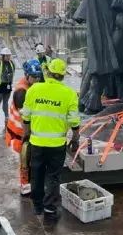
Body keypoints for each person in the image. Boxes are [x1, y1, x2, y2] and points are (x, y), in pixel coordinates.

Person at [21, 58, 80, 225]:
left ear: (47, 72)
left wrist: (26, 135)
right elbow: (74, 120)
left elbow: (26, 115)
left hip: (37, 143)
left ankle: (37, 207)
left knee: (36, 175)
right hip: (56, 145)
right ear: (63, 76)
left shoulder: (34, 89)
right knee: (53, 177)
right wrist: (75, 138)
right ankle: (50, 212)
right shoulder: (69, 94)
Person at [5, 59, 43, 196]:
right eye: (34, 77)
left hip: (22, 133)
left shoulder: (31, 87)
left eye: (39, 76)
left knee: (28, 161)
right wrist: (29, 134)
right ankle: (25, 187)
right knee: (25, 161)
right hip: (19, 134)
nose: (37, 79)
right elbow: (24, 119)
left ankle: (29, 184)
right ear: (27, 75)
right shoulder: (22, 92)